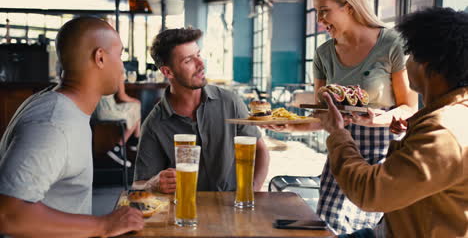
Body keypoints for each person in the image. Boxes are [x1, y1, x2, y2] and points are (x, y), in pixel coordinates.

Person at [265, 0, 418, 233]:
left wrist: (377, 119)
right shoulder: (323, 54)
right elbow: (324, 117)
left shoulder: (391, 43)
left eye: (324, 11)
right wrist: (290, 127)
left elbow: (409, 108)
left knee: (375, 232)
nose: (319, 20)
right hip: (340, 156)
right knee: (328, 228)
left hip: (384, 159)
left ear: (348, 6)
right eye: (317, 11)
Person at [317, 7, 468, 238]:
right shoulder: (449, 117)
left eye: (412, 55)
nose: (406, 64)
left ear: (428, 66)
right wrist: (407, 133)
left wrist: (338, 134)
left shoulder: (442, 132)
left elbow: (371, 192)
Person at [0, 17, 144, 237]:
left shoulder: (62, 107)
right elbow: (8, 214)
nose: (122, 67)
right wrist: (103, 225)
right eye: (120, 55)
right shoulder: (54, 124)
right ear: (100, 58)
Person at [133, 27, 270, 193]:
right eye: (188, 60)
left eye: (198, 54)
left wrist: (252, 191)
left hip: (232, 210)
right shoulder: (154, 124)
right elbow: (138, 184)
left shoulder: (230, 102)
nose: (201, 64)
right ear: (167, 72)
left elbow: (260, 150)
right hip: (183, 213)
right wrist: (153, 183)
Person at [95, 73, 141, 167]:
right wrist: (136, 100)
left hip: (94, 112)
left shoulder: (96, 71)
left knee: (135, 110)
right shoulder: (117, 71)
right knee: (136, 106)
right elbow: (122, 96)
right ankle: (121, 146)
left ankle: (134, 141)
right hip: (108, 111)